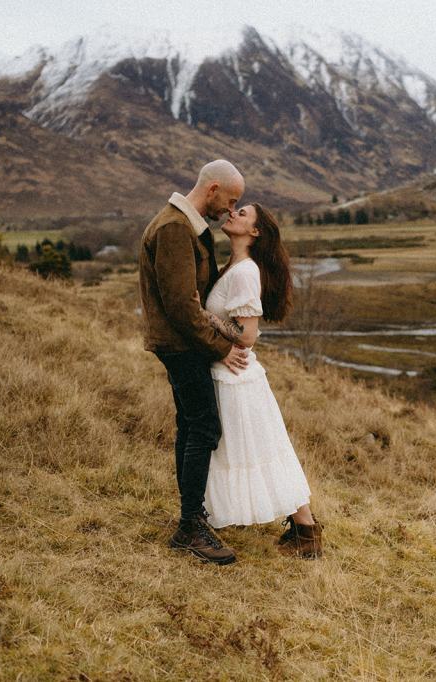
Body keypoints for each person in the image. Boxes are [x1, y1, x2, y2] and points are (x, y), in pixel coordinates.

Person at [137, 160, 248, 565]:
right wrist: (221, 349)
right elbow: (183, 306)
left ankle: (191, 517)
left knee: (191, 425)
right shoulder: (173, 229)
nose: (230, 209)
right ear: (213, 188)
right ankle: (189, 526)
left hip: (184, 344)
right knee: (203, 427)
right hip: (181, 345)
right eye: (230, 200)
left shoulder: (186, 226)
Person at [200, 202, 324, 558]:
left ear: (255, 232)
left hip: (236, 378)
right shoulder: (237, 267)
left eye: (243, 214)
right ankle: (305, 529)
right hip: (236, 376)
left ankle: (306, 531)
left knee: (260, 451)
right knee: (260, 450)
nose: (233, 213)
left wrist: (204, 317)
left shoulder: (244, 272)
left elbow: (247, 334)